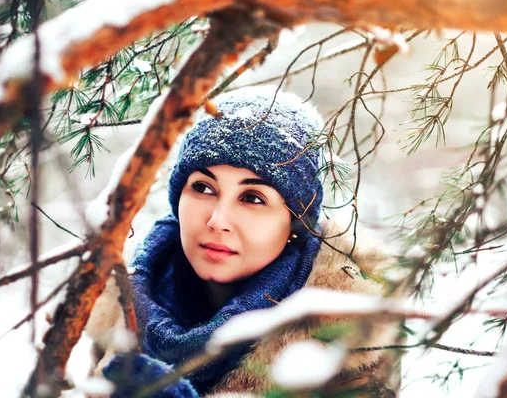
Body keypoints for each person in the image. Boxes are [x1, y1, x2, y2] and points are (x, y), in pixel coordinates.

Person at [86, 86, 401, 397]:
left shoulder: (345, 340)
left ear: (294, 222)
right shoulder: (124, 300)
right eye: (203, 188)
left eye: (252, 197)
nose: (218, 220)